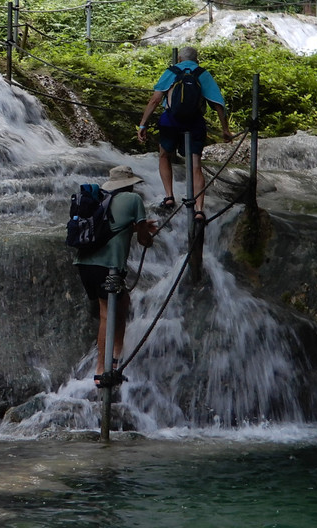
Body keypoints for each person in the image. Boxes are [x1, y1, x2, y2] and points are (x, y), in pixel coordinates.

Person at [73, 165, 156, 386]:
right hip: (108, 266)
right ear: (129, 184)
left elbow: (114, 226)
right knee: (106, 314)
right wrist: (147, 235)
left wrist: (138, 228)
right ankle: (102, 370)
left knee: (122, 303)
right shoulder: (133, 199)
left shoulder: (100, 199)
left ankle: (116, 358)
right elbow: (144, 240)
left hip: (84, 263)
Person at [137, 46, 231, 223]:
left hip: (170, 121)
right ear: (197, 60)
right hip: (195, 123)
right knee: (195, 165)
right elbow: (218, 103)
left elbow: (155, 100)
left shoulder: (171, 71)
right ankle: (199, 210)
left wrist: (143, 124)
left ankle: (169, 196)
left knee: (164, 155)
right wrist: (225, 129)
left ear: (179, 59)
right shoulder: (202, 73)